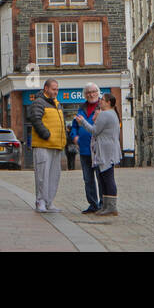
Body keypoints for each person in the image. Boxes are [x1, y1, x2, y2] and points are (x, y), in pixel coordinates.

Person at [78, 91, 122, 217]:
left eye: (102, 99)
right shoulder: (112, 114)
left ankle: (111, 207)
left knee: (107, 179)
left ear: (108, 103)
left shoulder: (105, 114)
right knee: (105, 178)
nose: (100, 101)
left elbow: (94, 131)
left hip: (105, 151)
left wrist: (83, 122)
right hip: (111, 149)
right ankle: (107, 206)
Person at [29, 79, 66, 212]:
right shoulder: (38, 102)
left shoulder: (57, 104)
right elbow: (35, 119)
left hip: (56, 145)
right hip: (43, 145)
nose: (56, 92)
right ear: (46, 88)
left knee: (54, 176)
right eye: (53, 89)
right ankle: (40, 201)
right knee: (42, 175)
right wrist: (46, 134)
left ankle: (50, 202)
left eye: (57, 89)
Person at [69, 84, 101, 213]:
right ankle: (93, 204)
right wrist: (74, 136)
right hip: (84, 149)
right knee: (88, 179)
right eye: (88, 92)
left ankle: (103, 204)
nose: (91, 94)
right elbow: (74, 126)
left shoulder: (102, 107)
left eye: (93, 91)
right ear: (84, 95)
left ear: (98, 93)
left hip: (98, 150)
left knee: (101, 178)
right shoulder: (81, 108)